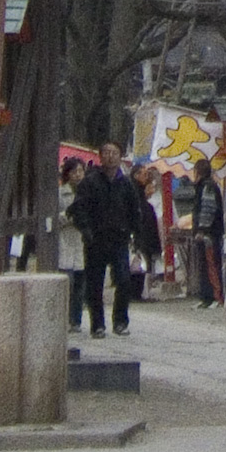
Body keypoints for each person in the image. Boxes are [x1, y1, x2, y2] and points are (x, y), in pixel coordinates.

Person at [70, 143, 146, 338]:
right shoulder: (90, 181)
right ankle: (97, 324)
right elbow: (78, 208)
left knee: (123, 279)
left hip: (119, 238)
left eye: (115, 153)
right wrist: (86, 229)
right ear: (100, 156)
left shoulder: (126, 184)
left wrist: (136, 236)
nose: (111, 157)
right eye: (107, 153)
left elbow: (135, 211)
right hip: (96, 240)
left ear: (120, 157)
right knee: (95, 283)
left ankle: (120, 321)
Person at [186, 161, 226, 305]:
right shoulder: (204, 186)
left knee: (211, 264)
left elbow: (208, 209)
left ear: (197, 172)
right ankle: (206, 297)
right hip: (207, 232)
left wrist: (202, 230)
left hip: (209, 234)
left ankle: (215, 296)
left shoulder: (207, 187)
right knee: (204, 265)